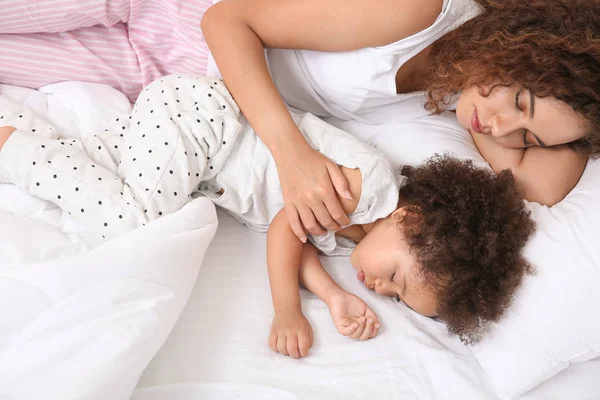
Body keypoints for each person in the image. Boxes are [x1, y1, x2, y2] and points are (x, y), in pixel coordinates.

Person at [0, 75, 535, 357]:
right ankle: (14, 147)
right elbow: (286, 226)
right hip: (204, 125)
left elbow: (302, 243)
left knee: (96, 161)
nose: (380, 288)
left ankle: (11, 120)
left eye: (392, 296)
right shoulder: (368, 188)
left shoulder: (362, 232)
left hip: (193, 152)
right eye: (395, 279)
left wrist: (333, 296)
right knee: (138, 222)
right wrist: (288, 311)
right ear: (412, 222)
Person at [201, 0, 600, 242]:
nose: (500, 127)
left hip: (224, 107)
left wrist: (582, 127)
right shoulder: (420, 12)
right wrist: (293, 157)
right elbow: (224, 21)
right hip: (206, 52)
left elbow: (538, 189)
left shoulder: (460, 94)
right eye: (518, 101)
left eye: (527, 138)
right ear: (518, 48)